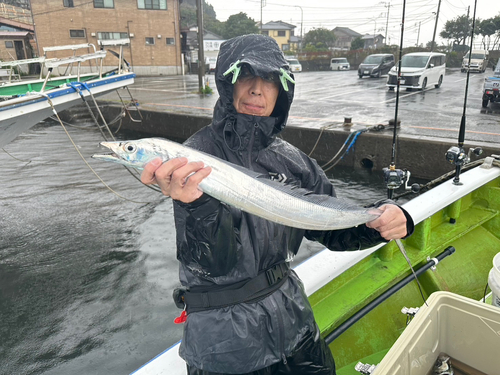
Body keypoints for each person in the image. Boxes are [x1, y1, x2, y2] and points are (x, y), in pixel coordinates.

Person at [141, 34, 414, 375]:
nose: (258, 90)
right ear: (228, 84)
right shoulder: (193, 162)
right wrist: (197, 205)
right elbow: (213, 264)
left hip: (294, 324)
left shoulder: (292, 160)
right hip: (225, 348)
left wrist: (382, 218)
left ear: (282, 92)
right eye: (247, 76)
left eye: (270, 80)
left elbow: (330, 225)